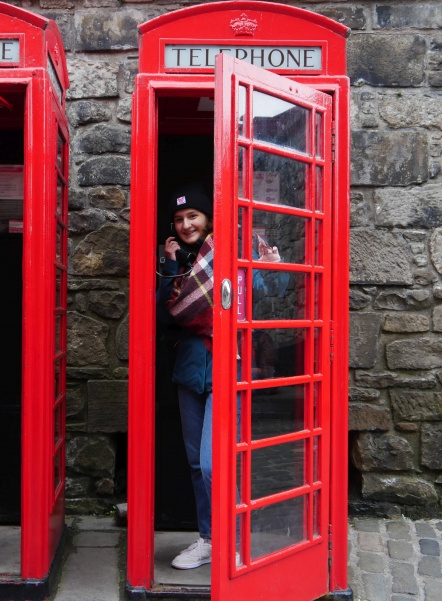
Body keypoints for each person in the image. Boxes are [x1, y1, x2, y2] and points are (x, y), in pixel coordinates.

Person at [157, 185, 280, 569]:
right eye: (178, 219)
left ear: (208, 218)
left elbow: (269, 294)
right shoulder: (178, 262)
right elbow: (162, 316)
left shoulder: (231, 254)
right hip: (191, 369)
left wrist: (272, 266)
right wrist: (172, 266)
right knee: (195, 463)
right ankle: (208, 538)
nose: (185, 224)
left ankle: (233, 535)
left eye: (193, 216)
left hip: (232, 363)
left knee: (215, 463)